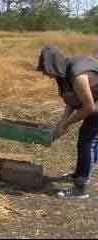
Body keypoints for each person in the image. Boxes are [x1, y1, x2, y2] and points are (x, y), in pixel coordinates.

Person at [37, 45, 98, 199]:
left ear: (52, 64)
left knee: (86, 140)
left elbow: (89, 108)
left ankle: (80, 188)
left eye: (45, 69)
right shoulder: (63, 76)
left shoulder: (77, 75)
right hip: (93, 103)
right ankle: (80, 173)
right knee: (88, 139)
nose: (46, 74)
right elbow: (72, 101)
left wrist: (67, 124)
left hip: (94, 105)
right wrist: (61, 123)